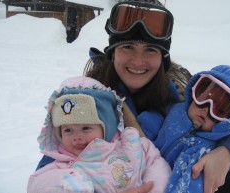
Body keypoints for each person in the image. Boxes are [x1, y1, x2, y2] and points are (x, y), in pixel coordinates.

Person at [37, 0, 230, 193]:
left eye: (150, 51)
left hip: (169, 180)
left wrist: (227, 153)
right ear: (112, 52)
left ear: (162, 58)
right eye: (127, 47)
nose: (138, 61)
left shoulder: (181, 88)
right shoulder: (87, 97)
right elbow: (55, 162)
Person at [28, 76, 171, 193]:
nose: (76, 136)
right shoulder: (64, 164)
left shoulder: (133, 145)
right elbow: (38, 184)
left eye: (85, 128)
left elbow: (156, 165)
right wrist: (66, 184)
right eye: (67, 130)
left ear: (107, 126)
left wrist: (154, 189)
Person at [138, 65, 230, 192]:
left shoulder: (204, 150)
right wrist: (142, 126)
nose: (206, 108)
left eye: (219, 111)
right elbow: (155, 118)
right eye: (203, 99)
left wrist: (228, 150)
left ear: (229, 121)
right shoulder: (176, 110)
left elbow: (191, 183)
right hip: (148, 163)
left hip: (166, 182)